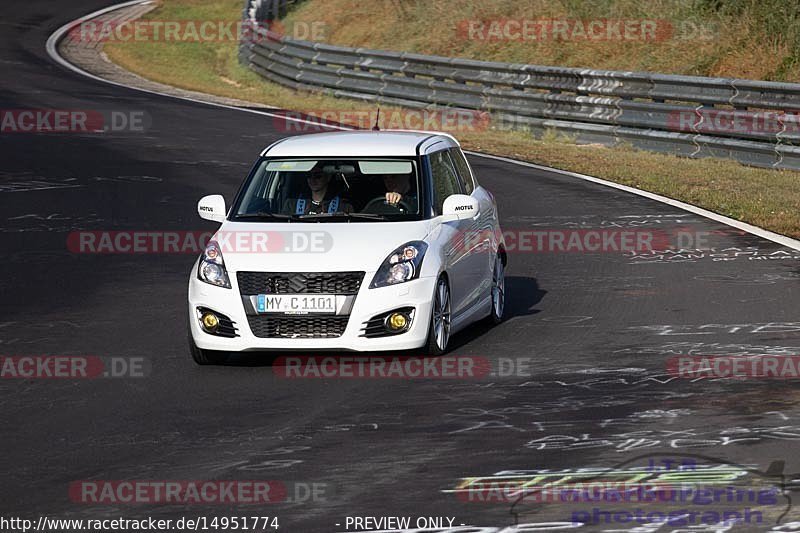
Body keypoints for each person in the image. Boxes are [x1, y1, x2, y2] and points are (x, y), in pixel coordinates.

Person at [282, 168, 352, 215]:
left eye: (318, 176)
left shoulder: (343, 206)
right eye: (309, 175)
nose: (312, 180)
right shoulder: (292, 204)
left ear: (328, 177)